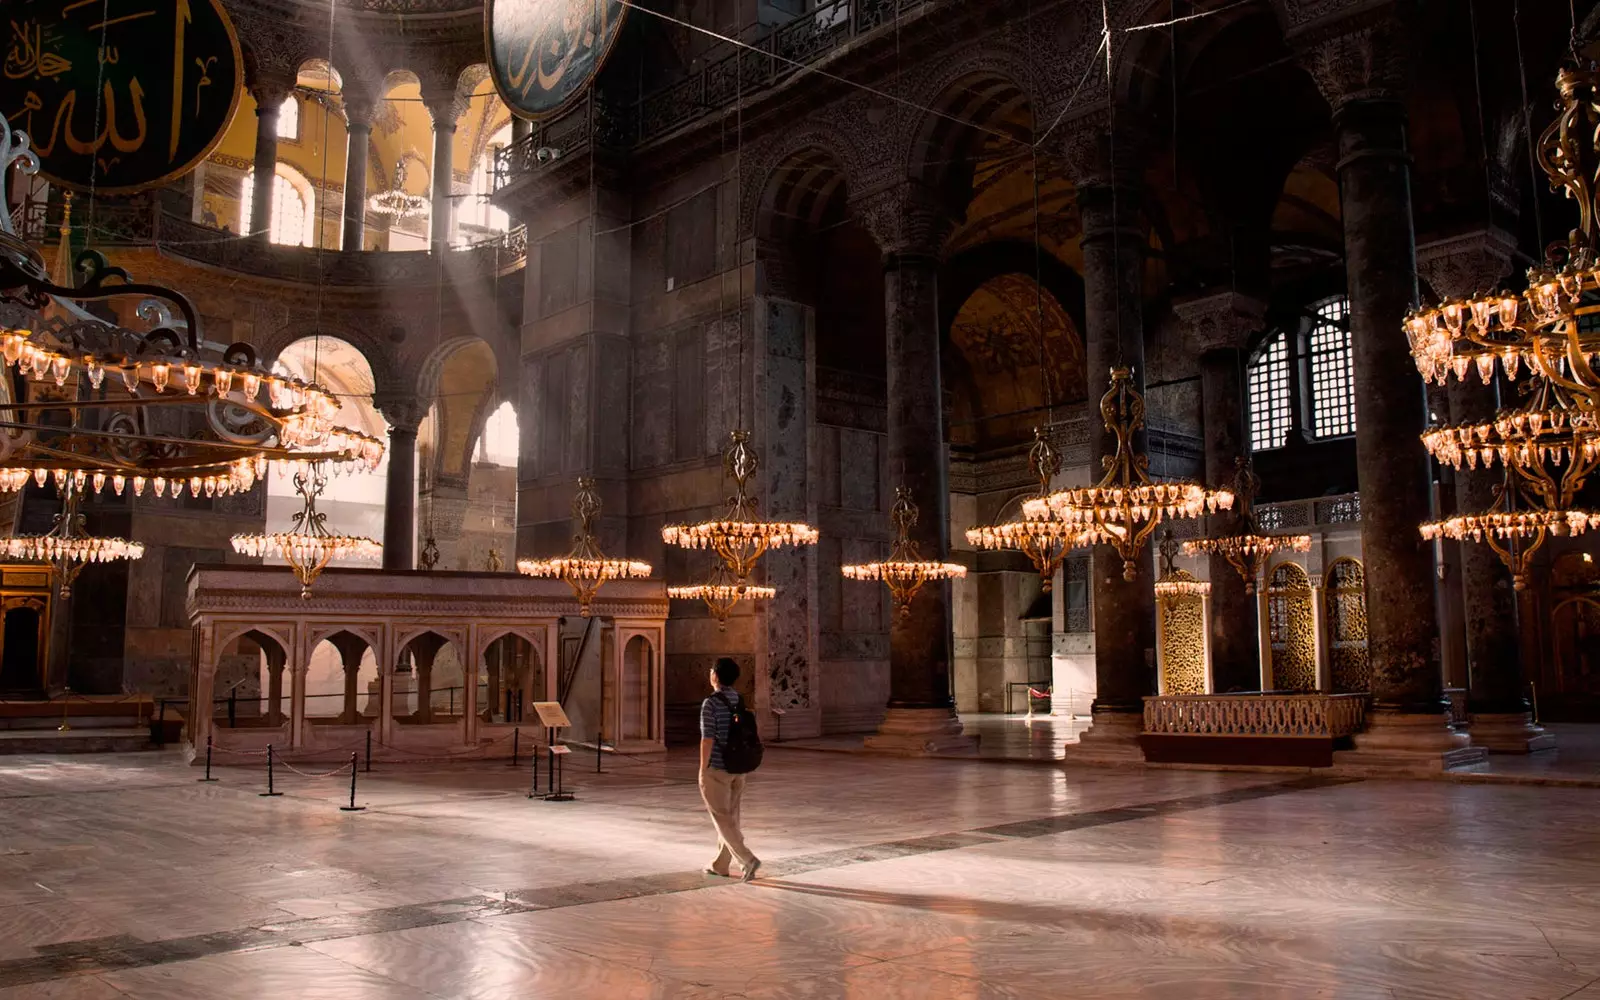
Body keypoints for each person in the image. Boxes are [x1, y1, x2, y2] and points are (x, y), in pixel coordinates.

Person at [699, 657, 760, 882]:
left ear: (715, 675)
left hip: (717, 768)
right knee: (730, 817)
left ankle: (747, 859)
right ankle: (721, 864)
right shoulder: (739, 699)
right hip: (738, 766)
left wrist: (702, 768)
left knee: (721, 817)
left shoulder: (711, 703)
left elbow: (708, 739)